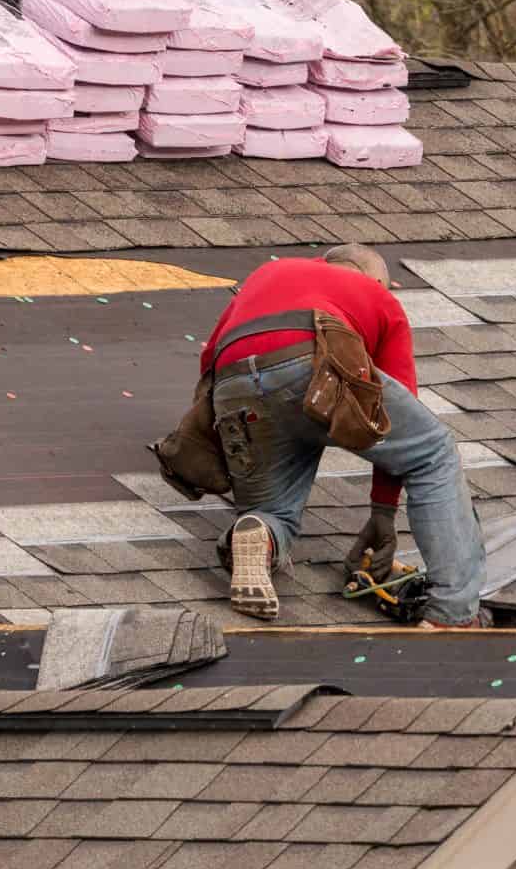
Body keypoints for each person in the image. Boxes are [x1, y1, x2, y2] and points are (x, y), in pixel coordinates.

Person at [200, 243, 489, 626]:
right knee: (433, 451)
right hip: (316, 362)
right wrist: (383, 512)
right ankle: (453, 612)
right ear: (373, 278)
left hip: (233, 383)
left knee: (273, 509)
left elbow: (209, 359)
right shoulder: (377, 298)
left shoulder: (270, 273)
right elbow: (390, 427)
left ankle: (259, 531)